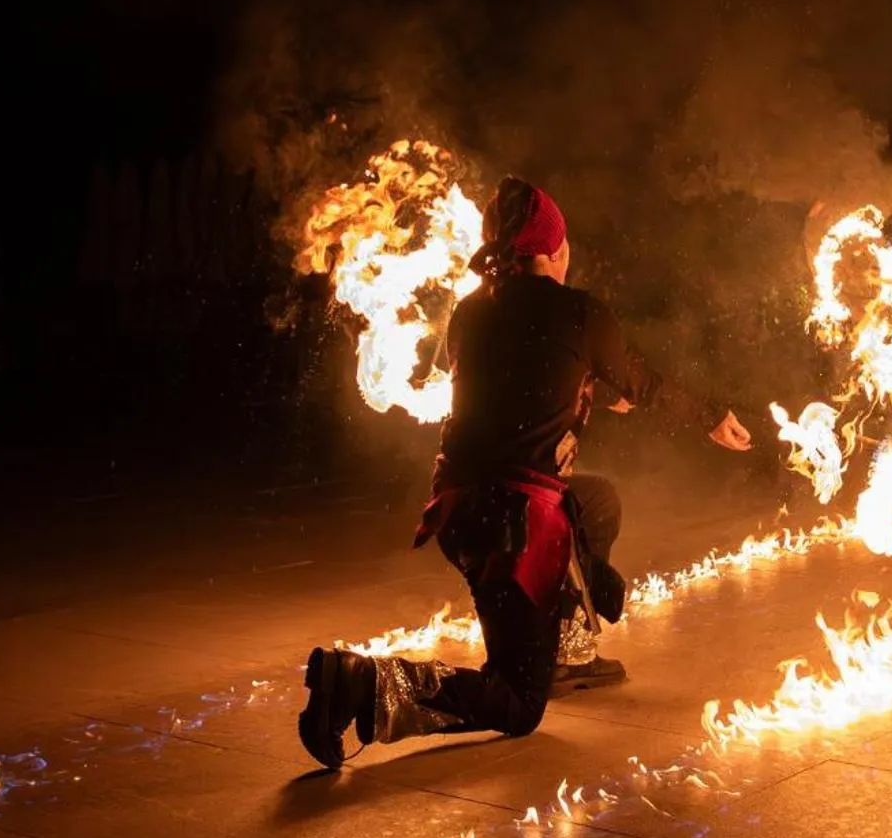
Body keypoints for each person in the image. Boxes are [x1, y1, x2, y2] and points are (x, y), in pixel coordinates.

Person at [296, 177, 752, 770]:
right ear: (558, 251)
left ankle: (565, 645)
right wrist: (714, 416)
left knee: (598, 500)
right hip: (513, 529)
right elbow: (643, 383)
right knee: (518, 703)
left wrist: (583, 381)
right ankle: (362, 683)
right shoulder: (581, 312)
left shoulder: (468, 313)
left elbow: (516, 380)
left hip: (461, 512)